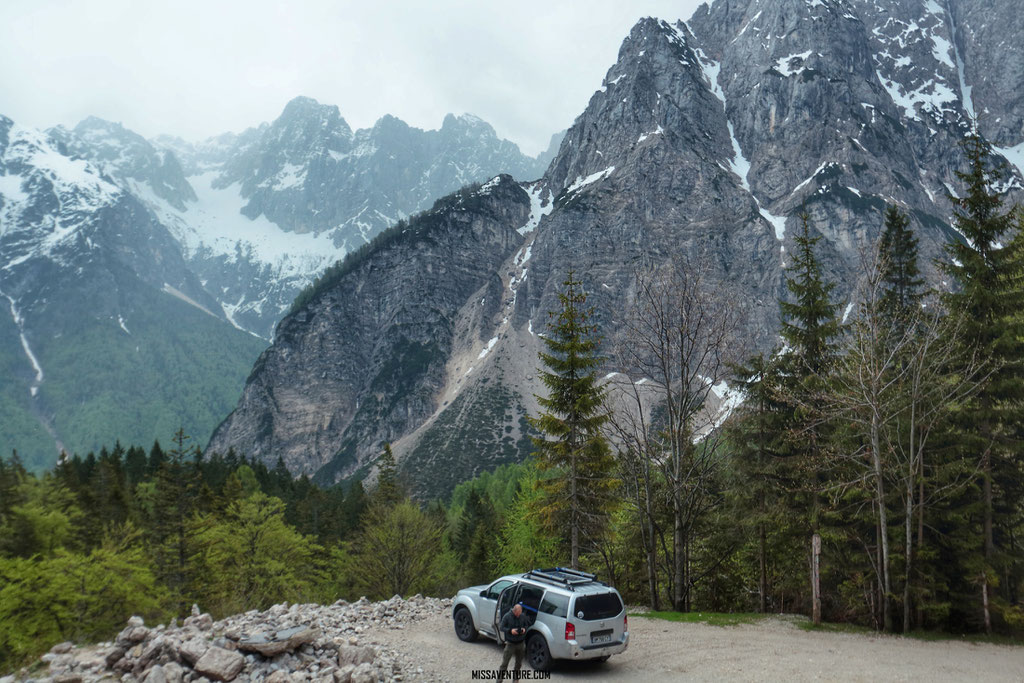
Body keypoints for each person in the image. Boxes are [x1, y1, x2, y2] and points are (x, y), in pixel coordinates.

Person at [498, 603, 530, 676]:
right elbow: (501, 627)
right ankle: (499, 680)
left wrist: (524, 629)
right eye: (517, 614)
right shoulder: (507, 616)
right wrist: (510, 631)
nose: (519, 615)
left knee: (518, 663)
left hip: (521, 643)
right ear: (514, 611)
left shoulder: (522, 616)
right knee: (504, 664)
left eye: (520, 613)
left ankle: (516, 679)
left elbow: (527, 625)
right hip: (510, 644)